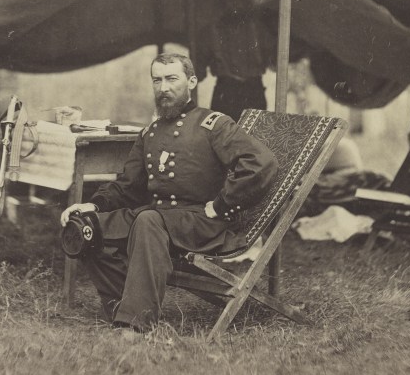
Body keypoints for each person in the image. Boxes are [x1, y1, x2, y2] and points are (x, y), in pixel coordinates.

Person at [60, 52, 278, 331]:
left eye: (172, 79)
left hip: (201, 222)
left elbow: (262, 163)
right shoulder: (149, 132)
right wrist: (94, 206)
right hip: (159, 219)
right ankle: (121, 305)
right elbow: (128, 186)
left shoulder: (214, 124)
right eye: (157, 80)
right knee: (86, 227)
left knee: (147, 220)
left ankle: (136, 324)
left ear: (191, 82)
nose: (163, 88)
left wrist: (222, 205)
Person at [197, 0, 273, 121]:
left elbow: (274, 58)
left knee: (254, 133)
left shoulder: (258, 30)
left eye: (239, 1)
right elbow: (198, 71)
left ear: (245, 3)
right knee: (223, 132)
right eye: (230, 1)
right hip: (226, 93)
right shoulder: (210, 33)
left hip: (254, 91)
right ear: (222, 3)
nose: (235, 5)